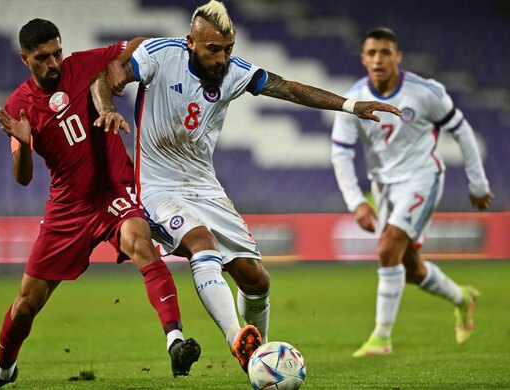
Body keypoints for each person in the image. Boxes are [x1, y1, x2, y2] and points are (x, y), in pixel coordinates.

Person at [93, 1, 400, 372]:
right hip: (159, 187)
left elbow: (288, 89)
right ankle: (240, 341)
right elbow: (105, 77)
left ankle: (261, 354)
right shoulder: (160, 55)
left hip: (205, 186)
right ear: (192, 42)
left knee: (256, 280)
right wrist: (107, 107)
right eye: (214, 49)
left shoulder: (233, 73)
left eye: (228, 49)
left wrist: (350, 105)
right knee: (201, 245)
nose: (222, 58)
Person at [0, 19, 200, 389]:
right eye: (43, 58)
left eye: (58, 52)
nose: (55, 63)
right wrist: (23, 145)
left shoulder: (84, 64)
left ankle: (175, 342)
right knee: (26, 304)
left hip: (112, 192)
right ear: (26, 60)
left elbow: (135, 44)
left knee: (141, 243)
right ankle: (4, 371)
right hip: (68, 209)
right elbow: (22, 178)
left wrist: (175, 45)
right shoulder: (17, 106)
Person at [330, 27, 494, 357]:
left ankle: (381, 338)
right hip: (385, 187)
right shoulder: (354, 101)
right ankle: (462, 297)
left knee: (388, 247)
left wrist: (478, 184)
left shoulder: (425, 93)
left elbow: (462, 131)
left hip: (422, 177)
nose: (378, 59)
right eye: (372, 53)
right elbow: (341, 153)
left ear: (398, 57)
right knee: (411, 269)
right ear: (363, 58)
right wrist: (357, 202)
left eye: (385, 52)